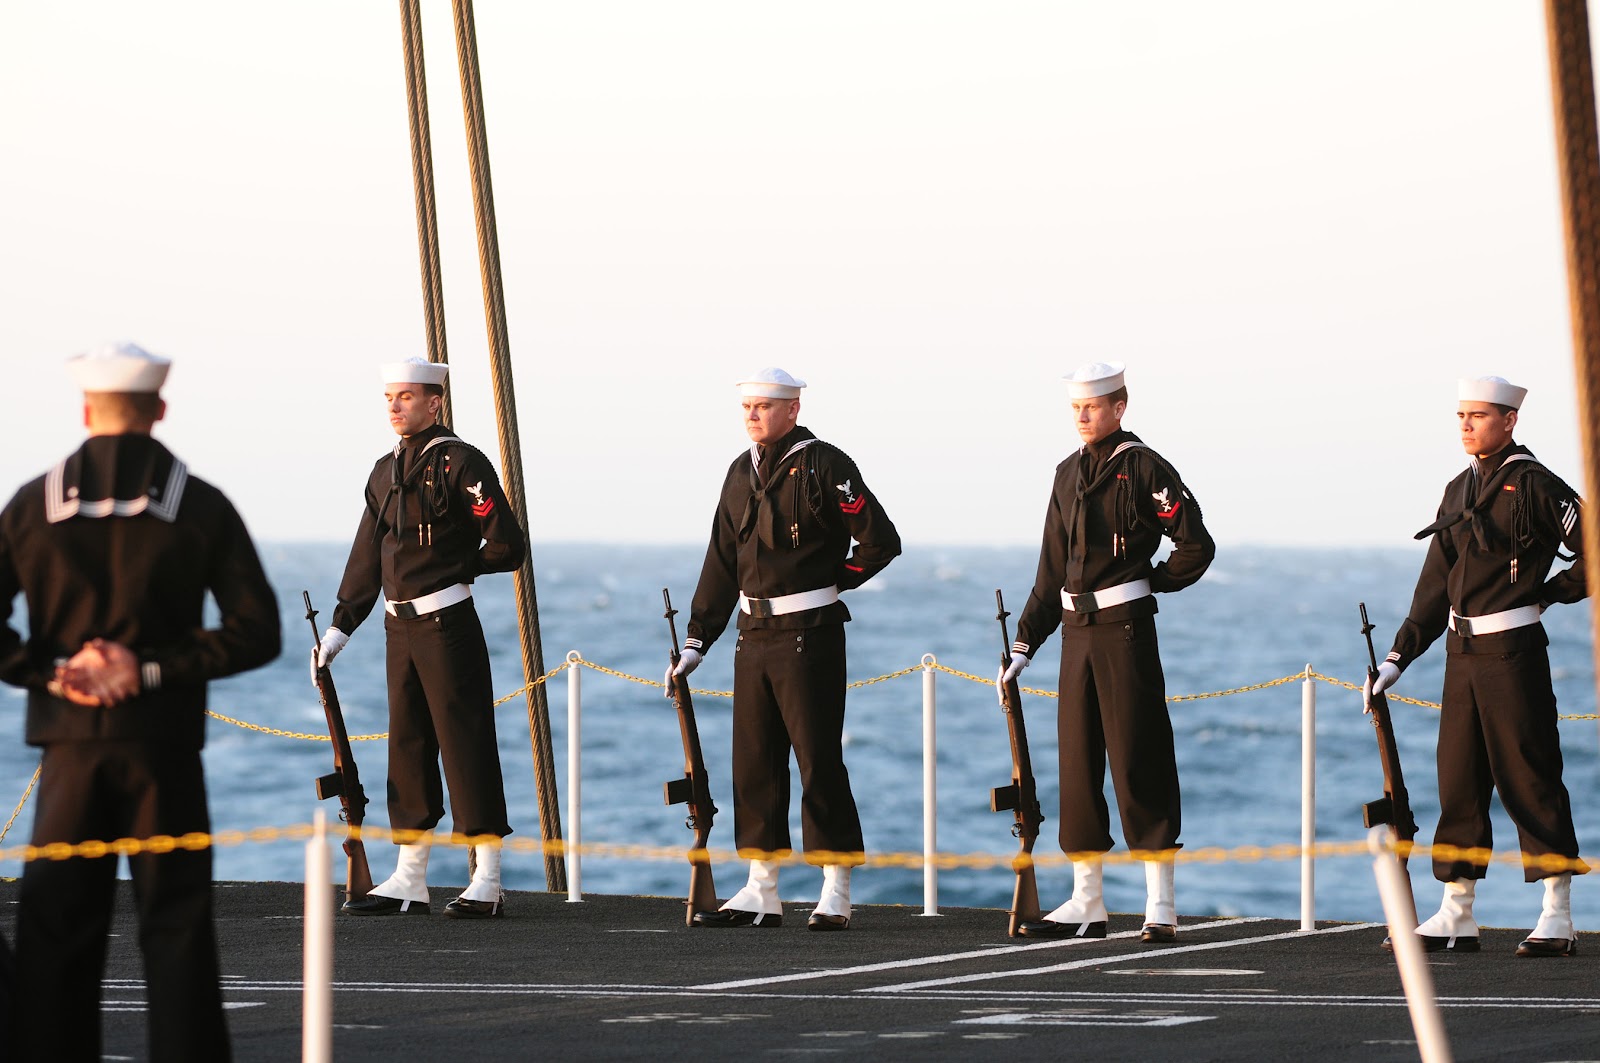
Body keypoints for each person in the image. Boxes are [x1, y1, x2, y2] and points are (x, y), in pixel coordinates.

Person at [0, 342, 281, 1062]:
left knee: (56, 929)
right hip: (163, 747)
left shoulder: (33, 503)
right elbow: (258, 631)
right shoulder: (202, 505)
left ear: (86, 410)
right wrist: (149, 668)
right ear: (159, 409)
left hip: (68, 747)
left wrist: (53, 671)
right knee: (176, 926)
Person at [671, 368, 901, 930]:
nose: (753, 415)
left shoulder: (826, 464)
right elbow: (722, 561)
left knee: (817, 759)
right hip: (753, 636)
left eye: (765, 407)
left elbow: (879, 541)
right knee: (753, 763)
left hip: (810, 633)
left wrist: (829, 582)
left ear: (793, 410)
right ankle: (761, 888)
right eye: (747, 406)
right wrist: (699, 639)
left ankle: (835, 887)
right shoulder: (738, 472)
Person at [1369, 375, 1586, 957]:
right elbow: (1435, 583)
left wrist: (1553, 593)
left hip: (1514, 653)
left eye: (1479, 415)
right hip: (1460, 656)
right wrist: (1398, 657)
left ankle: (1557, 915)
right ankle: (1457, 911)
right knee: (1457, 780)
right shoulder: (1458, 489)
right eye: (1460, 415)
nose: (1466, 425)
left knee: (1529, 777)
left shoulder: (1537, 485)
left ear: (1510, 420)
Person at [1002, 361, 1214, 943]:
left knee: (1137, 756)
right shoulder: (1066, 475)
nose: (1082, 416)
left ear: (1119, 408)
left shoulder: (1144, 467)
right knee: (1077, 763)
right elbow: (1050, 572)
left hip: (1124, 630)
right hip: (1074, 632)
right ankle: (1086, 899)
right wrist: (1025, 642)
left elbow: (1195, 545)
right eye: (1075, 407)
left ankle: (1160, 905)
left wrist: (1152, 582)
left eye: (1092, 406)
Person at [319, 357, 525, 919]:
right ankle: (410, 876)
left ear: (435, 402)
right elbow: (367, 554)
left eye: (406, 396)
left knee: (465, 744)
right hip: (397, 627)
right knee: (407, 746)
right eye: (389, 396)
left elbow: (506, 543)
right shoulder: (384, 472)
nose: (394, 406)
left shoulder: (463, 463)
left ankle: (487, 878)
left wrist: (459, 566)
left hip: (447, 623)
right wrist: (341, 624)